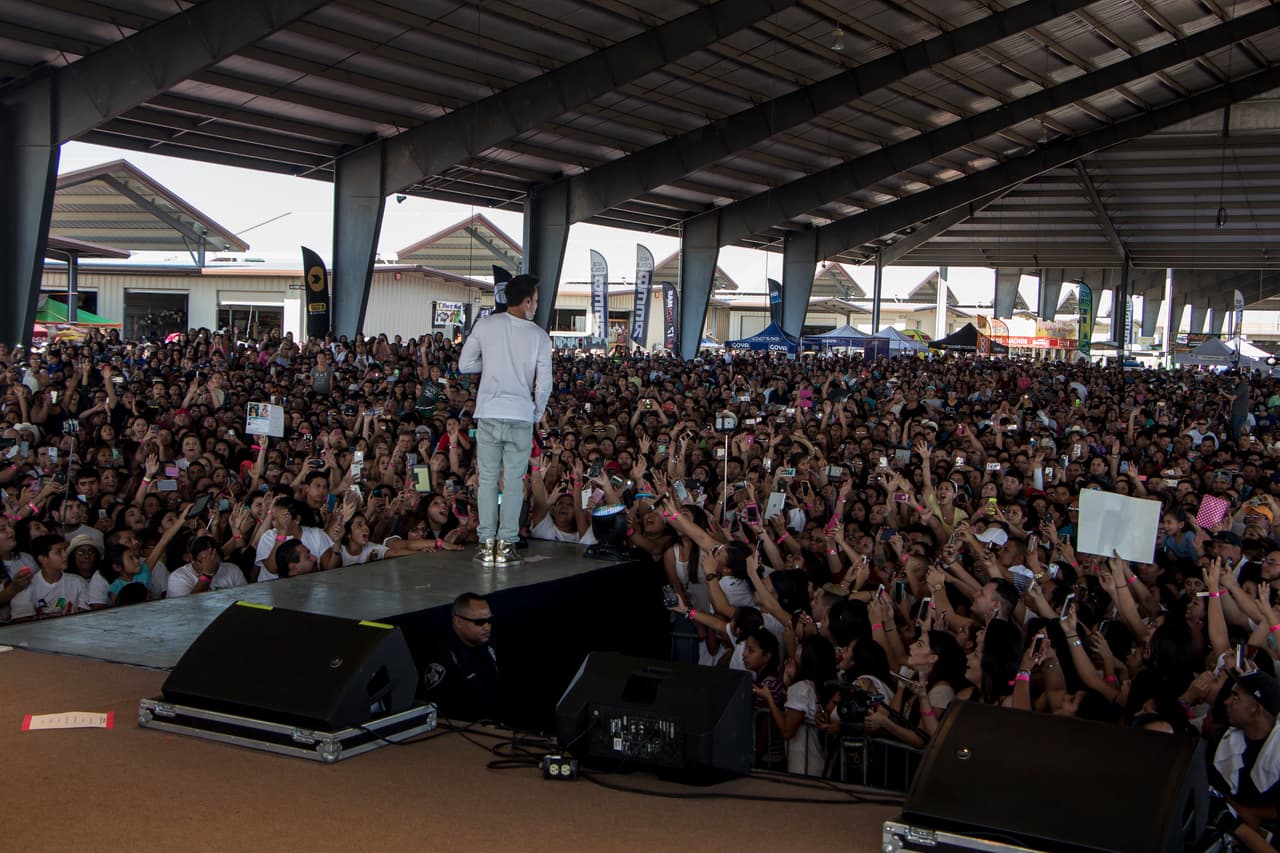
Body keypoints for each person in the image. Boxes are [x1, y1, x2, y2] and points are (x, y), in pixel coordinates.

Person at [458, 274, 552, 566]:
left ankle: (486, 544)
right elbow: (544, 383)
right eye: (535, 300)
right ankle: (507, 545)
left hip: (488, 412)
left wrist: (492, 363)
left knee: (486, 479)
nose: (536, 305)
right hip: (521, 415)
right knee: (513, 480)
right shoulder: (538, 336)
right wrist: (536, 413)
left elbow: (464, 365)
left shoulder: (485, 325)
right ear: (526, 302)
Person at [421, 592, 500, 722]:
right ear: (458, 622)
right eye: (479, 622)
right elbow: (437, 709)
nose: (487, 627)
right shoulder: (443, 656)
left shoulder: (488, 642)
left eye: (489, 620)